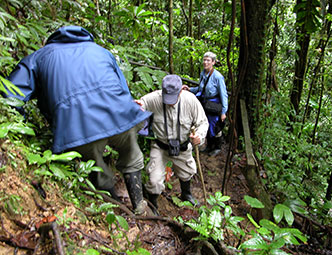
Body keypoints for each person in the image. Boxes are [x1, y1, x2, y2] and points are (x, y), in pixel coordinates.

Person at [4, 26, 152, 215]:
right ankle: (139, 207)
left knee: (96, 166)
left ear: (50, 41)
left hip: (77, 125)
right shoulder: (102, 52)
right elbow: (123, 90)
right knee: (131, 152)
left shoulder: (39, 57)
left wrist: (20, 126)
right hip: (121, 114)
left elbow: (10, 94)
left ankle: (115, 214)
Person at [136, 74, 209, 215]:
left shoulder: (191, 100)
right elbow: (141, 104)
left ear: (181, 91)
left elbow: (202, 122)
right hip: (160, 146)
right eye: (167, 98)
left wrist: (199, 136)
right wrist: (137, 106)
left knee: (188, 171)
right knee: (155, 180)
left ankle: (186, 194)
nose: (169, 103)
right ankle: (153, 204)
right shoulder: (155, 98)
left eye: (173, 99)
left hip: (182, 146)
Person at [183, 52, 228, 156]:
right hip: (205, 102)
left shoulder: (218, 77)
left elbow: (224, 95)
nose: (205, 62)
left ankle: (217, 147)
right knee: (205, 123)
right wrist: (190, 89)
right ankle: (209, 146)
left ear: (213, 62)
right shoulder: (203, 73)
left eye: (208, 60)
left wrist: (223, 112)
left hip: (214, 104)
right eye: (204, 60)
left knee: (215, 125)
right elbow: (200, 88)